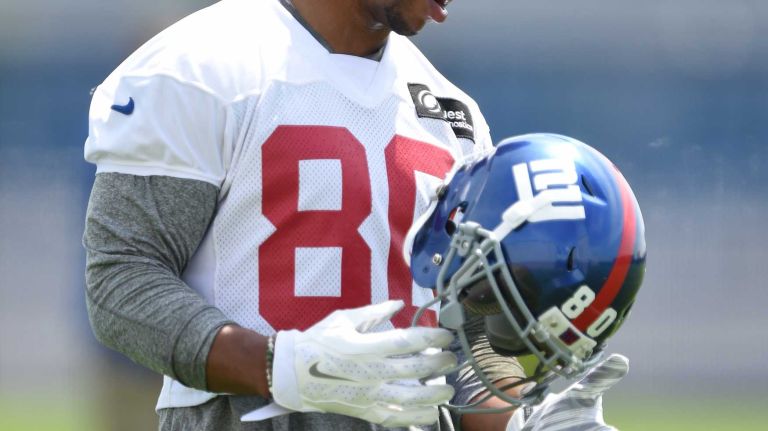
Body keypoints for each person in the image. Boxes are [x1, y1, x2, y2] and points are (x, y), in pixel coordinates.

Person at [84, 1, 629, 430]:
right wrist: (280, 366)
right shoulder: (201, 65)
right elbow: (121, 281)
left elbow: (453, 346)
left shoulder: (452, 116)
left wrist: (517, 418)